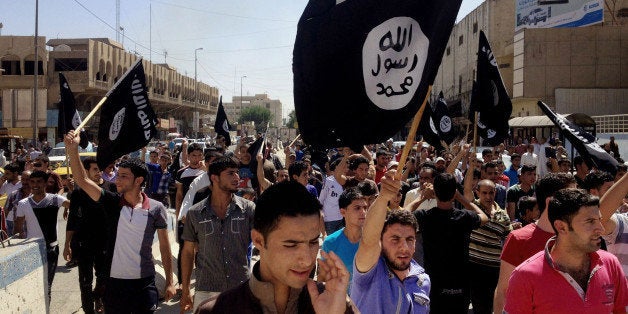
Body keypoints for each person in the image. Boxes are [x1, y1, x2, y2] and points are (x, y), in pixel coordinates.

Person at [196, 181, 354, 313]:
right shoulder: (219, 310)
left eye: (313, 242)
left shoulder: (335, 303)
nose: (307, 260)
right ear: (258, 240)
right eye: (291, 245)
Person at [64, 130, 176, 313]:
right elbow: (82, 181)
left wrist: (170, 282)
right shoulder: (112, 202)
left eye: (124, 176)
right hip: (113, 283)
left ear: (139, 180)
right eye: (118, 174)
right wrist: (72, 149)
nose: (117, 179)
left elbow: (165, 247)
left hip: (145, 282)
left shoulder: (156, 209)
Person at [504, 189, 628, 313]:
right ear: (561, 227)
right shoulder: (525, 276)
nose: (600, 229)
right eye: (590, 221)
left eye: (599, 220)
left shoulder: (610, 263)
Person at [180, 156, 256, 312]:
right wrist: (186, 289)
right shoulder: (195, 213)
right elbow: (187, 252)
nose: (237, 177)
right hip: (206, 289)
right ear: (214, 178)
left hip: (240, 288)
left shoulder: (249, 210)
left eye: (237, 173)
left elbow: (265, 245)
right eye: (231, 173)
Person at [493, 172, 577, 313]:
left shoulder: (579, 238)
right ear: (550, 202)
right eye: (572, 198)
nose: (579, 203)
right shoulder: (519, 239)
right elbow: (503, 290)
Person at [351, 171, 431, 313]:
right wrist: (383, 198)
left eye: (410, 239)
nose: (404, 247)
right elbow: (369, 241)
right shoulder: (370, 272)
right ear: (381, 240)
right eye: (395, 239)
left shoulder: (423, 280)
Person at [415, 173, 488, 313]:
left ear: (435, 192)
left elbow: (403, 214)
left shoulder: (425, 216)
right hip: (460, 283)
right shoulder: (464, 217)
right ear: (454, 192)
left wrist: (422, 197)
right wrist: (461, 198)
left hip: (433, 283)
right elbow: (484, 217)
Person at [63, 157, 117, 314]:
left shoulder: (111, 189)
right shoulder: (78, 193)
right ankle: (88, 310)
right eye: (94, 169)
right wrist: (67, 245)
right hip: (84, 244)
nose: (98, 172)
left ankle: (98, 297)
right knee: (85, 283)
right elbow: (72, 221)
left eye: (99, 169)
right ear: (85, 171)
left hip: (105, 243)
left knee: (103, 279)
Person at [14, 170, 70, 302]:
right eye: (32, 182)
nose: (35, 185)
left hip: (51, 250)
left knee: (47, 286)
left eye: (39, 181)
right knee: (35, 286)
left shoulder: (55, 199)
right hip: (31, 250)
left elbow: (76, 207)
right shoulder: (23, 204)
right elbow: (18, 229)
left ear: (45, 183)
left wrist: (72, 191)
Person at [321, 188, 368, 294]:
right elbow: (323, 278)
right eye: (357, 208)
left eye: (365, 207)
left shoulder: (373, 241)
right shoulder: (330, 243)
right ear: (343, 212)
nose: (363, 212)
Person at [0, 163, 22, 235]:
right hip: (9, 219)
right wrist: (1, 182)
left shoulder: (23, 182)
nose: (5, 175)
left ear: (15, 173)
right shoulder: (6, 184)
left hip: (21, 218)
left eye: (7, 173)